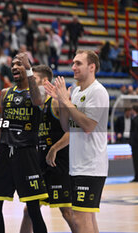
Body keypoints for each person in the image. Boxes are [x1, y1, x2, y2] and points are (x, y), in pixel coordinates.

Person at [0, 53, 49, 233]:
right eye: (12, 64)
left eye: (19, 64)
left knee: (34, 209)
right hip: (4, 153)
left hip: (26, 154)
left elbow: (37, 101)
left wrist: (28, 69)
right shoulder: (5, 93)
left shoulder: (38, 91)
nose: (14, 67)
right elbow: (2, 128)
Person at [44, 50, 109, 233]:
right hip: (78, 165)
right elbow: (67, 127)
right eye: (73, 63)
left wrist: (67, 101)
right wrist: (62, 103)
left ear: (92, 67)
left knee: (80, 219)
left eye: (78, 63)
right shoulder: (77, 90)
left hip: (91, 165)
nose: (73, 67)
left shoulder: (98, 91)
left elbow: (88, 126)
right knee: (87, 217)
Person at [20, 65, 75, 233]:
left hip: (60, 165)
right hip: (41, 165)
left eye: (34, 79)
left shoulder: (57, 102)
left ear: (44, 82)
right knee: (29, 210)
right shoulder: (37, 104)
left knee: (67, 212)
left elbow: (73, 132)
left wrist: (54, 149)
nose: (30, 83)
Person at [129, 105, 138, 182]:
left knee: (136, 161)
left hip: (135, 144)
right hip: (135, 144)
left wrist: (131, 142)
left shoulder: (134, 120)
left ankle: (137, 177)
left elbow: (134, 133)